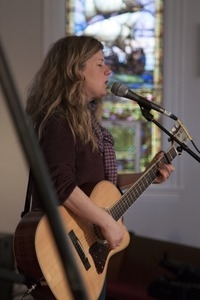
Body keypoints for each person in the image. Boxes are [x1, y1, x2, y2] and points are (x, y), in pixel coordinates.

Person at [25, 35, 175, 299]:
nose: (109, 70)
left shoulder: (86, 124)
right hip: (65, 250)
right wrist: (107, 221)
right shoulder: (60, 121)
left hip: (88, 254)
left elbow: (97, 185)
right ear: (75, 70)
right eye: (100, 64)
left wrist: (147, 174)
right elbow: (61, 185)